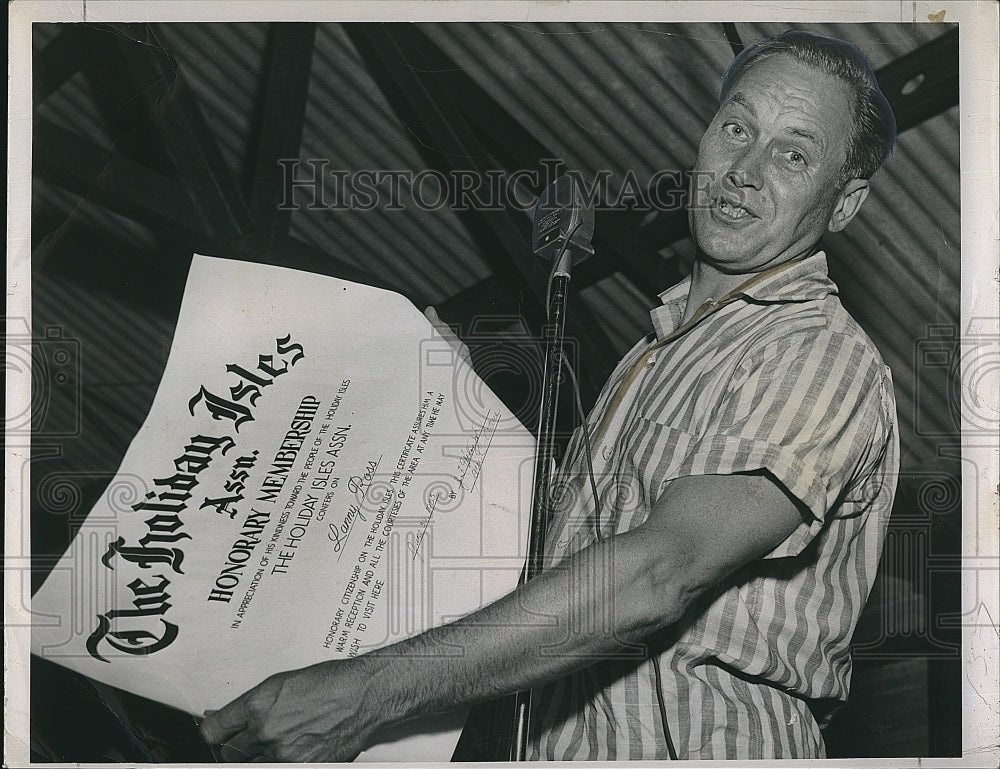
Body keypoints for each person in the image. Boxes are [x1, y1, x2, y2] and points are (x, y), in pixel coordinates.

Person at [200, 30, 899, 761]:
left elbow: (656, 573)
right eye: (736, 127)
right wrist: (444, 410)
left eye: (793, 153)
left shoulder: (814, 350)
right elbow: (553, 570)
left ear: (845, 203)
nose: (745, 170)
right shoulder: (657, 349)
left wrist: (363, 693)